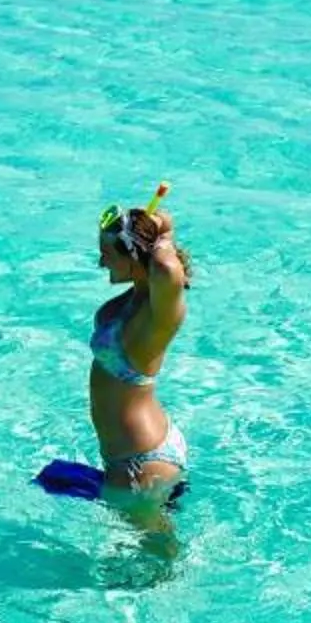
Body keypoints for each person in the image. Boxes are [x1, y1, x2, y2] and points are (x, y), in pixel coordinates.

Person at [88, 186, 191, 502]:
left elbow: (166, 269)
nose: (101, 262)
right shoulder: (136, 298)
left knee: (157, 550)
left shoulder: (156, 320)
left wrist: (161, 238)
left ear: (133, 256)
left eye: (107, 254)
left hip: (141, 463)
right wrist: (162, 230)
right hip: (132, 453)